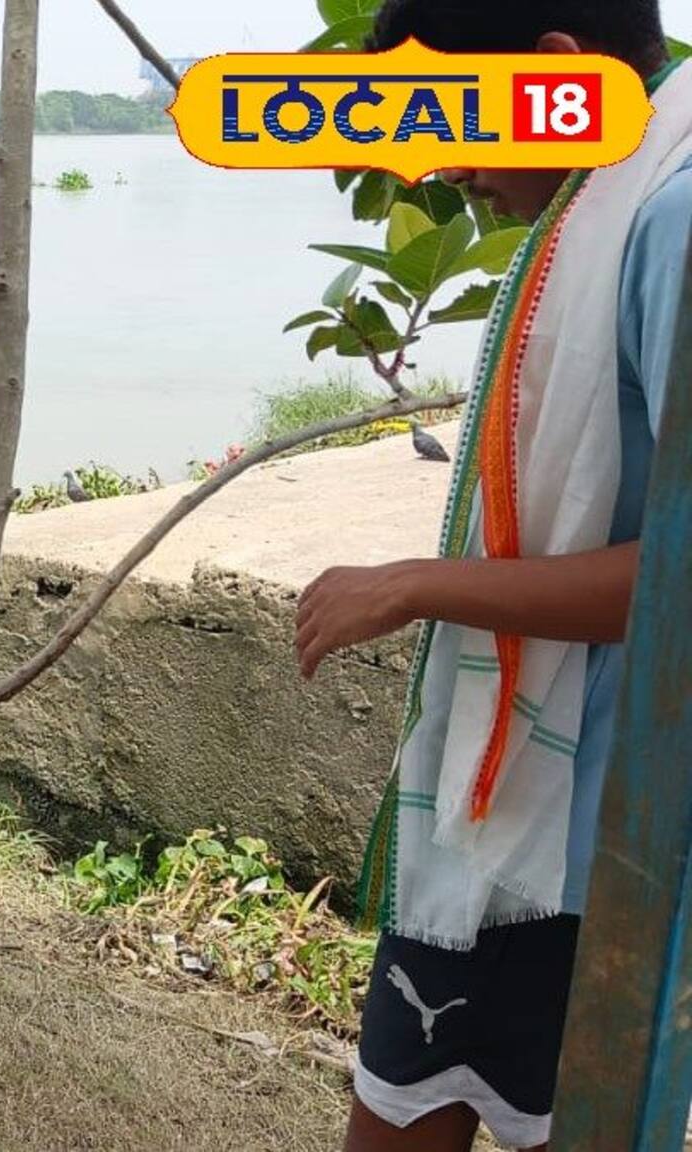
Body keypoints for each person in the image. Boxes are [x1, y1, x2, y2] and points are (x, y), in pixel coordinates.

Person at [294, 3, 690, 1149]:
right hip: (540, 795)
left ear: (556, 72)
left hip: (589, 820)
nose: (437, 158)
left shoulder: (665, 218)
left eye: (451, 111)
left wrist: (418, 584)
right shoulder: (601, 204)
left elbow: (677, 583)